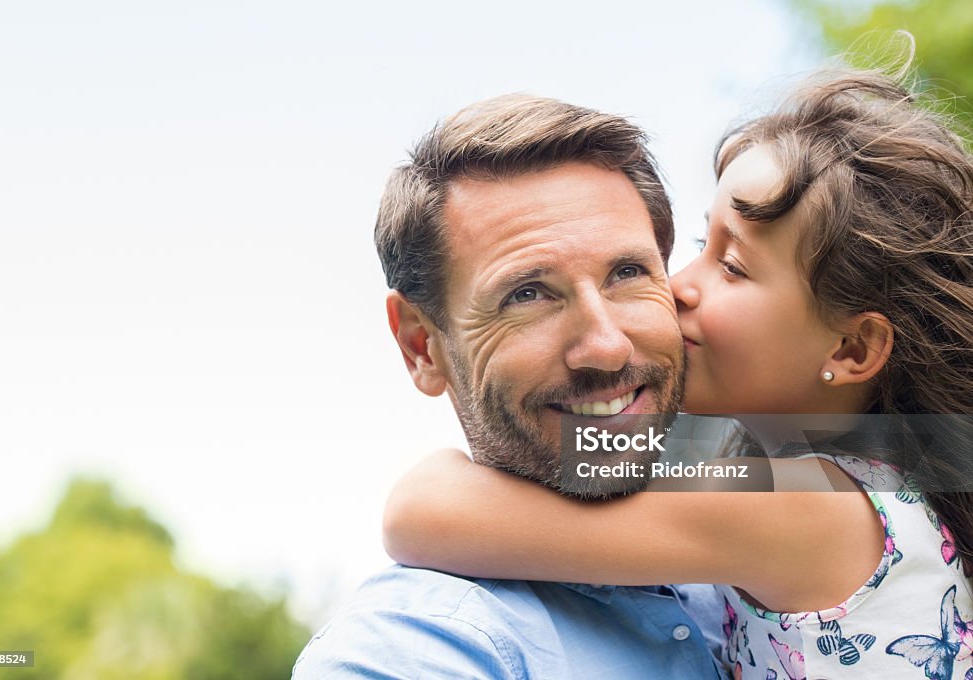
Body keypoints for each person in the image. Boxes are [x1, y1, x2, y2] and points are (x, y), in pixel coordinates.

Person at [384, 67, 973, 679]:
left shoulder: (797, 508)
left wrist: (440, 472)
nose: (679, 285)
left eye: (733, 267)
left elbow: (422, 515)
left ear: (851, 350)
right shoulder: (888, 467)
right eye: (700, 243)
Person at [292, 95, 729, 678]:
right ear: (422, 346)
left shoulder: (764, 483)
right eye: (527, 294)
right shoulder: (408, 654)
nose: (606, 346)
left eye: (627, 273)